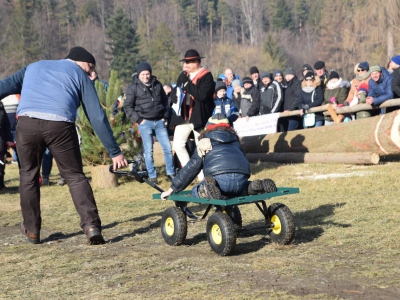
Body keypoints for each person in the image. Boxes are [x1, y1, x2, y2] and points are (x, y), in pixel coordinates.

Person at [0, 46, 128, 245]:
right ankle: (91, 226)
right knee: (75, 176)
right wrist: (115, 151)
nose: (93, 74)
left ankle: (32, 230)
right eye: (91, 67)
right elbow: (97, 116)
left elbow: (3, 87)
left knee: (28, 176)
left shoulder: (32, 67)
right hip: (59, 125)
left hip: (27, 124)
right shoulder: (79, 74)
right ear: (78, 61)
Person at [160, 114, 272, 202]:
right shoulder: (235, 141)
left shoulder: (205, 141)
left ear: (207, 127)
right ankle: (251, 187)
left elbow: (192, 168)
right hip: (241, 178)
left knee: (196, 190)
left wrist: (172, 189)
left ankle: (207, 190)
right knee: (237, 189)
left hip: (219, 179)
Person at [124, 62, 175, 184]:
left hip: (159, 121)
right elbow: (127, 107)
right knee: (149, 151)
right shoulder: (133, 88)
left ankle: (171, 173)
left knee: (168, 148)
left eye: (147, 74)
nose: (145, 76)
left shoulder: (157, 85)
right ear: (139, 74)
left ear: (150, 74)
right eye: (143, 74)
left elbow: (165, 102)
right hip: (145, 122)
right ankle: (152, 176)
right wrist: (139, 120)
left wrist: (165, 116)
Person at [171, 49, 215, 175]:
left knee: (200, 146)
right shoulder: (183, 75)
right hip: (183, 116)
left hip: (198, 116)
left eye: (189, 62)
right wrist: (173, 96)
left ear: (197, 62)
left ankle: (203, 175)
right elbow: (177, 90)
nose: (187, 65)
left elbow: (202, 95)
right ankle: (189, 172)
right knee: (178, 144)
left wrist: (187, 84)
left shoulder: (206, 75)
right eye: (185, 62)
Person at [1, 94, 20, 164]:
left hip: (15, 128)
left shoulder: (17, 96)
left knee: (17, 146)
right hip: (5, 129)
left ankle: (16, 159)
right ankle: (7, 158)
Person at [0, 100, 14, 190]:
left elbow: (6, 124)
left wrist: (8, 139)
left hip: (1, 139)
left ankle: (1, 183)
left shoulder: (1, 105)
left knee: (1, 162)